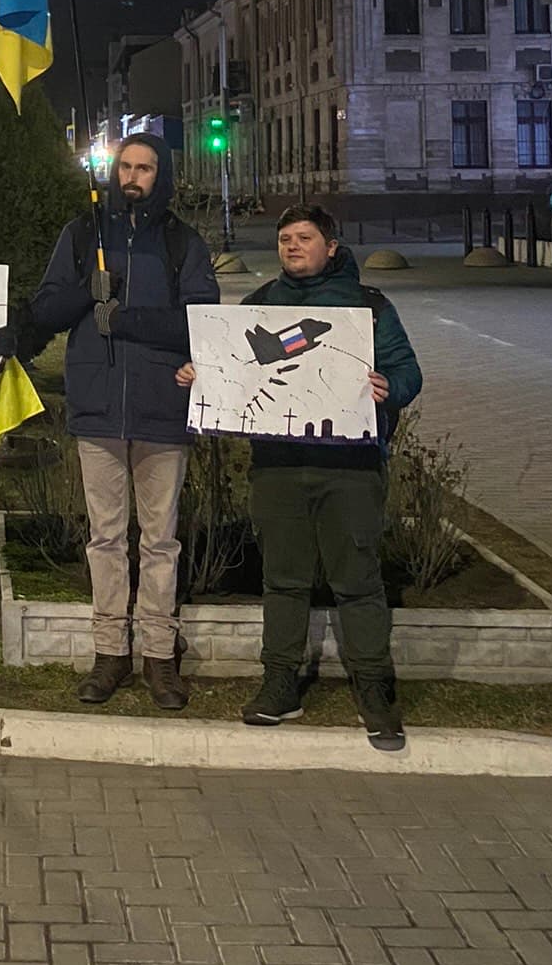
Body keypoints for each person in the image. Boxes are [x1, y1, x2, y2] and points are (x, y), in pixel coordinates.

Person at [177, 203, 423, 749]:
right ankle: (280, 683)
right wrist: (203, 375)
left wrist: (391, 387)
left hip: (350, 467)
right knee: (283, 579)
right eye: (285, 238)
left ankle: (374, 689)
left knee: (357, 581)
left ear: (330, 247)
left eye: (304, 237)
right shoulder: (260, 304)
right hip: (279, 466)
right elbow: (235, 367)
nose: (292, 246)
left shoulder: (368, 306)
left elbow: (408, 370)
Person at [18, 134, 217, 711]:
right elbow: (47, 308)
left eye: (144, 168)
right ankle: (109, 652)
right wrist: (87, 292)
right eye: (125, 166)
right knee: (105, 538)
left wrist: (128, 319)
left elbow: (202, 321)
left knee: (160, 540)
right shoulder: (83, 235)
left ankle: (159, 654)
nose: (133, 176)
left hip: (162, 406)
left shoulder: (182, 242)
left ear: (161, 175)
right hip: (98, 405)